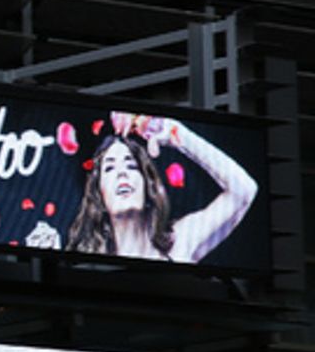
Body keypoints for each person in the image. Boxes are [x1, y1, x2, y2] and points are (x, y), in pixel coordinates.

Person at [65, 111, 257, 263]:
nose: (122, 173)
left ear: (148, 187)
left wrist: (177, 134)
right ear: (99, 195)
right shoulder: (88, 260)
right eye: (109, 168)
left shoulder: (181, 241)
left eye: (131, 165)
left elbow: (244, 190)